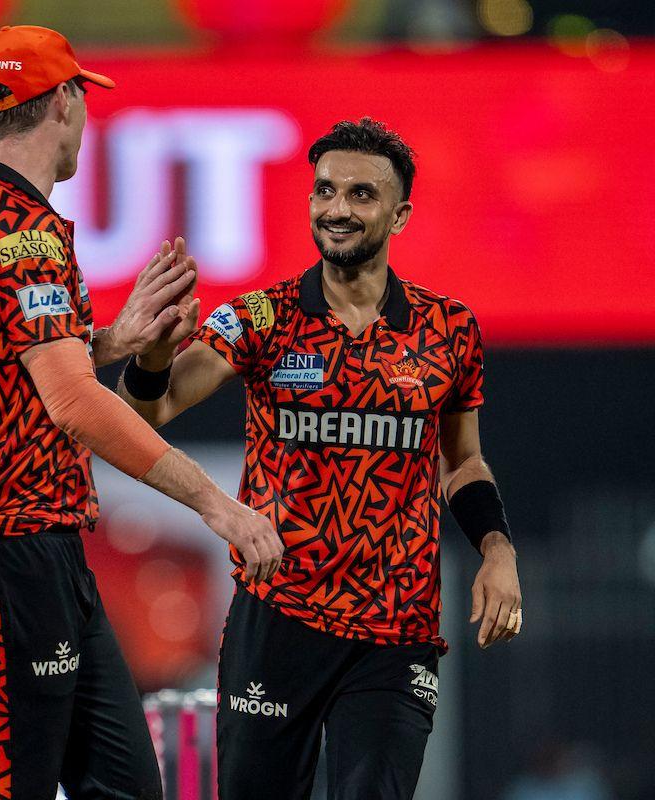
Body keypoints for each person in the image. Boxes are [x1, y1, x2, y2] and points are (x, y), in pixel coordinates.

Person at [0, 24, 282, 800]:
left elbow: (6, 366)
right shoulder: (24, 231)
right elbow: (70, 402)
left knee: (126, 785)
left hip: (23, 545)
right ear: (63, 100)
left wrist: (114, 340)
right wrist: (218, 506)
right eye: (82, 95)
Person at [117, 118, 524, 799]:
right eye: (326, 190)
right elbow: (145, 411)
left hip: (396, 629)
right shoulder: (261, 317)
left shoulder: (449, 329)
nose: (338, 208)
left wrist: (497, 548)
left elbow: (463, 463)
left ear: (400, 215)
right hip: (278, 616)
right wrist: (155, 352)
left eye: (362, 194)